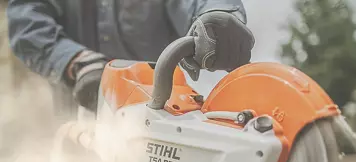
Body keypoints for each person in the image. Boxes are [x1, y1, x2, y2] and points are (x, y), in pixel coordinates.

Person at [7, 0, 255, 115]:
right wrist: (76, 61)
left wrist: (219, 16)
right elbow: (26, 25)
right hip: (78, 126)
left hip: (156, 120)